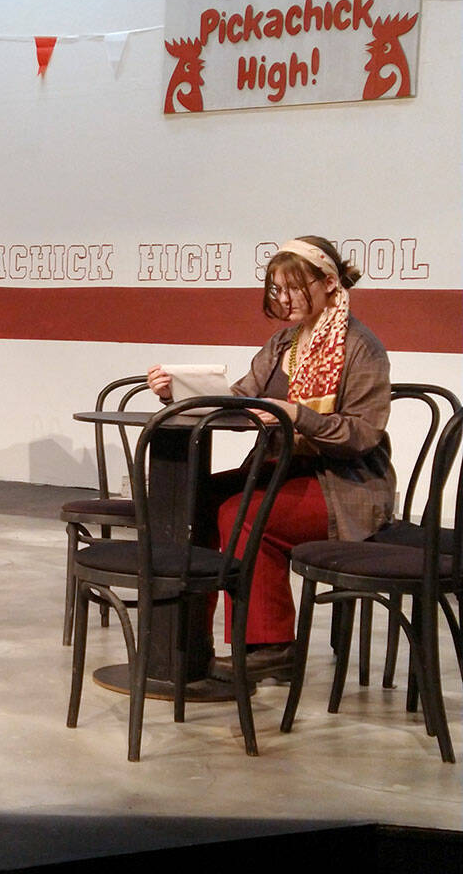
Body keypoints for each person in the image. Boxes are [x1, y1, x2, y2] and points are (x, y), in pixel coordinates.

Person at [146, 236, 394, 681]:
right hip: (283, 471)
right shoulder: (285, 344)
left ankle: (272, 645)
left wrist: (301, 417)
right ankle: (187, 633)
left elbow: (363, 433)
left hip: (342, 484)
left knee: (245, 514)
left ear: (329, 283)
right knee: (195, 498)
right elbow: (239, 398)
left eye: (294, 289)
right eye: (276, 290)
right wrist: (176, 390)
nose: (284, 300)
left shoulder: (360, 347)